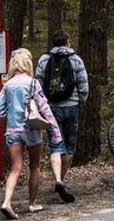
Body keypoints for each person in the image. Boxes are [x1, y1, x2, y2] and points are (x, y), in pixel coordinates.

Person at [0, 48, 63, 220]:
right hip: (31, 130)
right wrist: (55, 131)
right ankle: (32, 204)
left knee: (15, 168)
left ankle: (7, 202)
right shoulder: (33, 83)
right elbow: (44, 109)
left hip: (13, 130)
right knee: (34, 166)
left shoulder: (7, 85)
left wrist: (12, 114)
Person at [35, 30, 88, 204]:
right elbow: (83, 84)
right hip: (71, 106)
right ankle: (61, 181)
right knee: (70, 147)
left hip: (51, 108)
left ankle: (58, 179)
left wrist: (42, 105)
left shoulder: (44, 59)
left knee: (56, 145)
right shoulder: (76, 59)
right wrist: (81, 100)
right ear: (67, 42)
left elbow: (38, 83)